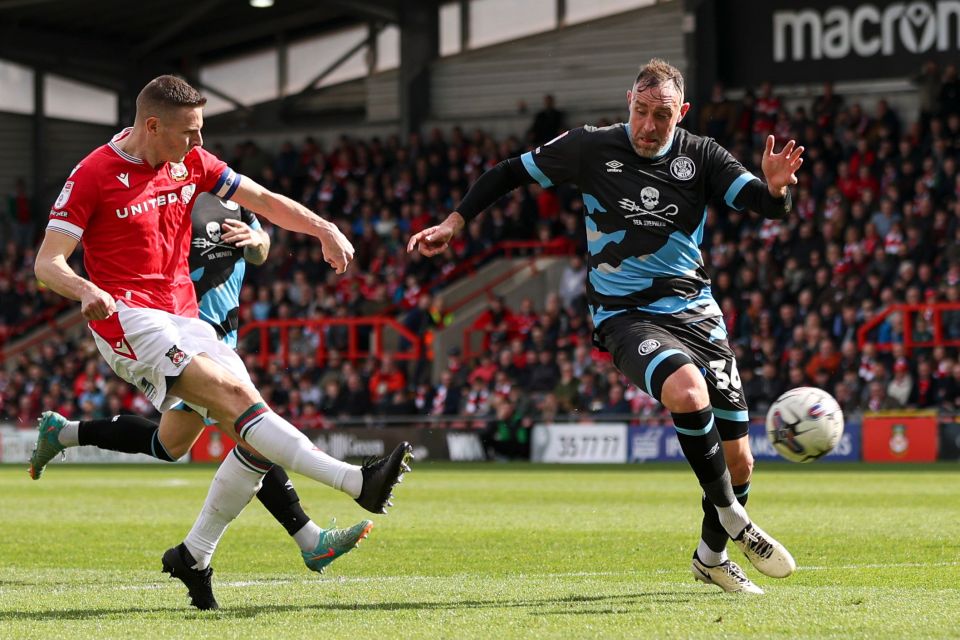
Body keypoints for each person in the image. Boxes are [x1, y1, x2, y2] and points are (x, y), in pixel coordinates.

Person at [409, 58, 802, 595]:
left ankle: (711, 558)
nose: (646, 126)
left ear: (680, 113)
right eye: (640, 111)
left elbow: (761, 202)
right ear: (628, 102)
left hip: (696, 311)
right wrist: (455, 221)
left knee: (740, 457)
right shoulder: (591, 147)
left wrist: (777, 190)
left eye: (660, 116)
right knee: (686, 393)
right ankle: (734, 518)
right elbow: (509, 172)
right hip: (625, 315)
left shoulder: (701, 155)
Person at [29, 75, 413, 610]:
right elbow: (48, 263)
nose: (199, 144)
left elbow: (264, 200)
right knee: (237, 404)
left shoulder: (191, 163)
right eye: (190, 133)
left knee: (251, 436)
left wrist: (324, 228)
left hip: (187, 317)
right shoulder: (95, 173)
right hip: (129, 319)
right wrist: (83, 287)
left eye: (202, 131)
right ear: (152, 125)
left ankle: (194, 555)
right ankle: (355, 484)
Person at [33, 191, 347, 579]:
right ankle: (310, 537)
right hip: (184, 335)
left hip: (221, 334)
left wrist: (257, 242)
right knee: (251, 430)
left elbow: (261, 247)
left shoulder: (235, 197)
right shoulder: (165, 199)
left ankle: (64, 433)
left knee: (170, 444)